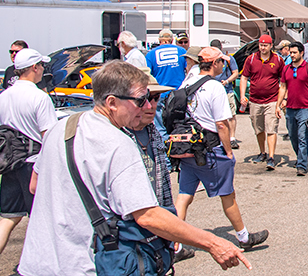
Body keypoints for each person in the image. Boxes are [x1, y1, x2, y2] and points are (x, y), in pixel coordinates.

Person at [18, 61, 250, 275]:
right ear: (111, 102)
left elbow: (34, 185)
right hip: (82, 265)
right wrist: (212, 242)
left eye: (150, 98)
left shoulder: (63, 128)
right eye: (140, 100)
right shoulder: (118, 143)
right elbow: (148, 216)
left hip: (36, 262)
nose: (148, 106)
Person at [174, 48, 269, 252]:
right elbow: (222, 124)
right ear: (215, 63)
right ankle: (243, 237)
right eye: (222, 63)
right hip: (209, 147)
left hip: (187, 146)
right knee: (227, 194)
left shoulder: (188, 81)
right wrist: (228, 151)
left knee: (184, 195)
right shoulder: (214, 87)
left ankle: (174, 244)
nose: (224, 66)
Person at [0, 49, 57, 276]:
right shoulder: (39, 97)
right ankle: (33, 265)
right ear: (34, 68)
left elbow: (1, 129)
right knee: (41, 218)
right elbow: (49, 137)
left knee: (9, 217)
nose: (43, 69)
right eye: (42, 65)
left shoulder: (3, 97)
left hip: (10, 163)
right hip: (34, 164)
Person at [124, 68, 189, 261]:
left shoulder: (153, 132)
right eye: (144, 99)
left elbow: (162, 186)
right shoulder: (119, 136)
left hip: (156, 231)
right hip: (130, 235)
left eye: (156, 98)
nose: (151, 105)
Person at [239, 35, 284, 170]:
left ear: (271, 46)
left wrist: (282, 99)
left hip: (272, 100)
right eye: (260, 45)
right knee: (258, 129)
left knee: (271, 128)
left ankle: (271, 156)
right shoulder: (251, 59)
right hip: (254, 100)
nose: (262, 48)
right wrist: (242, 95)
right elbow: (244, 77)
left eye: (265, 45)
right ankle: (262, 152)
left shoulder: (278, 60)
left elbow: (283, 80)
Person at [276, 42, 308, 176]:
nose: (292, 55)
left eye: (294, 52)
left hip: (305, 108)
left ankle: (301, 165)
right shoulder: (286, 69)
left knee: (302, 137)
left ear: (302, 53)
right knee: (293, 136)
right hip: (290, 108)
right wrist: (278, 105)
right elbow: (283, 87)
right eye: (290, 52)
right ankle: (300, 157)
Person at [146, 29, 187, 137]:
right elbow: (188, 69)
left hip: (160, 93)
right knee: (179, 124)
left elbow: (148, 75)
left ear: (159, 40)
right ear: (172, 40)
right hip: (178, 94)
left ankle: (164, 148)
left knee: (160, 127)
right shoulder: (182, 51)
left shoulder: (150, 55)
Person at [212, 39, 240, 149]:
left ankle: (232, 138)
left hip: (227, 90)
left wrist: (227, 81)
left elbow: (236, 73)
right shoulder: (210, 59)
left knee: (232, 114)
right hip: (214, 91)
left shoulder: (229, 59)